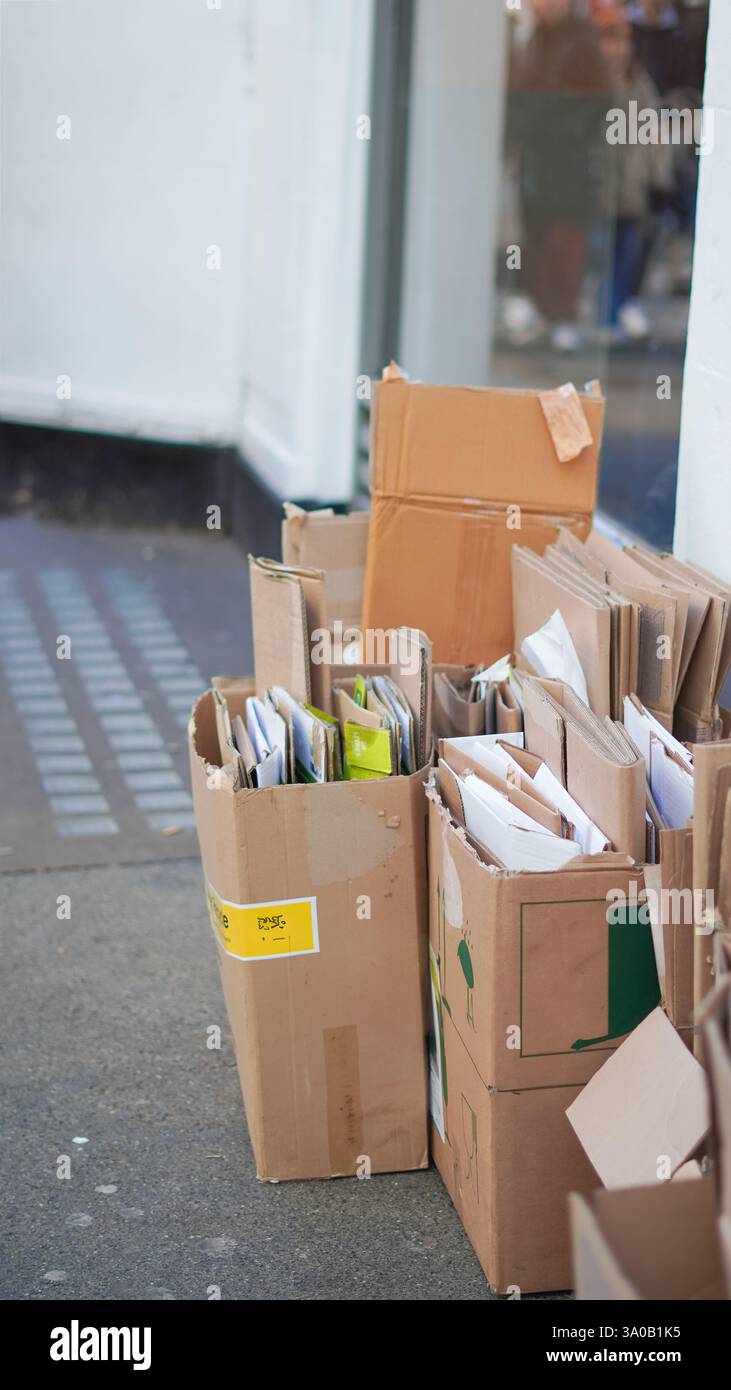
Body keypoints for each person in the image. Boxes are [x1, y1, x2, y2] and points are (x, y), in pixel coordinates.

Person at [508, 0, 613, 353]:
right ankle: (545, 311)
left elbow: (600, 100)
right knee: (536, 233)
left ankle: (563, 316)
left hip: (568, 159)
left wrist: (565, 130)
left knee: (564, 240)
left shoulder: (580, 40)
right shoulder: (536, 38)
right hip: (538, 155)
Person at [594, 2, 675, 341]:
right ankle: (605, 315)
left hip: (631, 184)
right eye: (609, 40)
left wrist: (657, 175)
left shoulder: (638, 83)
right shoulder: (593, 79)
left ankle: (619, 310)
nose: (616, 49)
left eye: (621, 41)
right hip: (598, 185)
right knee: (601, 253)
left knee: (626, 250)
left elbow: (653, 131)